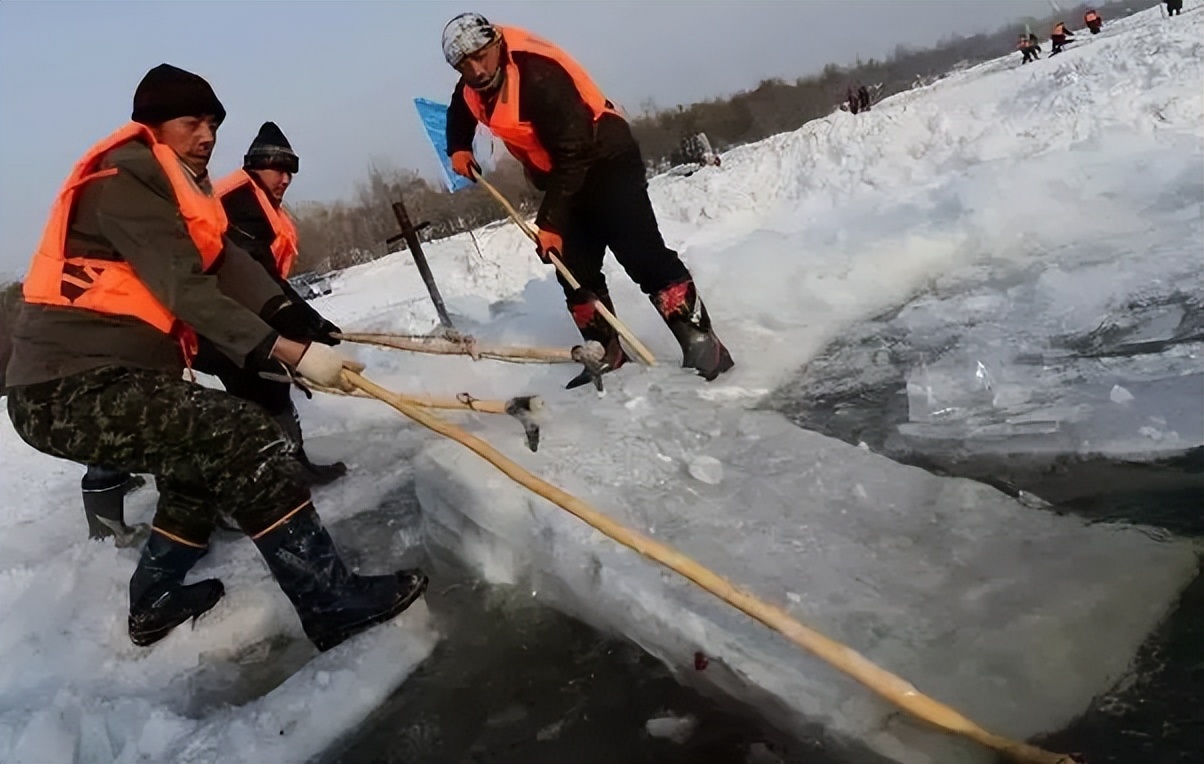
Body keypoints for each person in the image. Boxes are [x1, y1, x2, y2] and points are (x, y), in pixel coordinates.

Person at [5, 63, 427, 651]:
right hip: (64, 389)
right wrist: (287, 354)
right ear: (153, 127)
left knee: (195, 466)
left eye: (213, 123)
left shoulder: (181, 186)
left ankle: (153, 601)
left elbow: (224, 259)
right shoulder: (124, 181)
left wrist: (289, 316)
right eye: (191, 122)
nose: (207, 135)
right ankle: (330, 602)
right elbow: (187, 289)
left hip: (112, 374)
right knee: (239, 431)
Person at [441, 13, 734, 387]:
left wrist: (549, 223)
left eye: (481, 56)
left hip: (605, 159)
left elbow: (575, 150)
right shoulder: (473, 83)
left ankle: (703, 345)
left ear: (496, 42)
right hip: (563, 173)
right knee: (573, 269)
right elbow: (460, 107)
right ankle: (605, 352)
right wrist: (459, 147)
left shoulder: (538, 78)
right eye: (464, 64)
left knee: (641, 254)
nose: (476, 69)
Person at [212, 122, 348, 485]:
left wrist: (308, 323)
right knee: (260, 389)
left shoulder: (260, 202)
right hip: (217, 317)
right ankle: (270, 478)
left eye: (291, 171)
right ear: (255, 166)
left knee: (268, 387)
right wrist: (307, 323)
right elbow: (256, 274)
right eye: (278, 169)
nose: (286, 179)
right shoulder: (241, 202)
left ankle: (287, 467)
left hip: (237, 312)